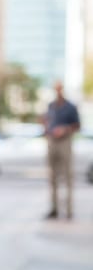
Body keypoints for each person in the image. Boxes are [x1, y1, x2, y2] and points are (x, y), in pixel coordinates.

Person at [43, 81, 80, 220]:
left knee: (68, 176)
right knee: (52, 177)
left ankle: (69, 210)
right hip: (52, 141)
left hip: (65, 142)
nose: (57, 91)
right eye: (55, 89)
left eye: (59, 89)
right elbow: (48, 121)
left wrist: (65, 129)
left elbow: (77, 125)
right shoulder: (51, 106)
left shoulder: (70, 107)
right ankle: (54, 209)